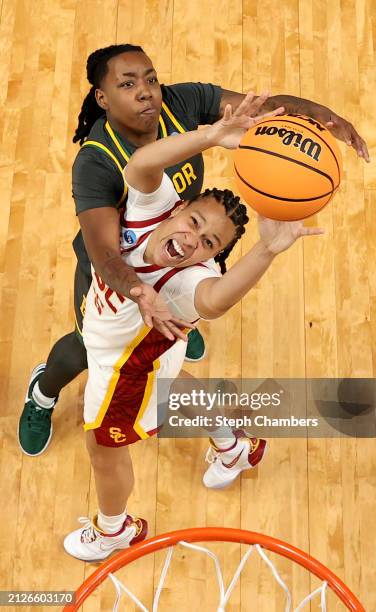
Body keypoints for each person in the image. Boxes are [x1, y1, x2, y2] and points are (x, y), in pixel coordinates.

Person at [18, 44, 370, 458]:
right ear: (102, 97)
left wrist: (326, 118)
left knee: (177, 330)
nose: (147, 91)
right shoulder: (97, 161)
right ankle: (42, 394)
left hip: (184, 242)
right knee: (85, 348)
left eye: (150, 78)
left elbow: (268, 110)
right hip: (118, 270)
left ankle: (193, 353)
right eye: (127, 84)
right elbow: (106, 256)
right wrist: (140, 292)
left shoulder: (180, 101)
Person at [63, 93, 324, 561]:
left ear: (210, 257)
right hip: (153, 352)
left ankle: (114, 530)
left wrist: (266, 251)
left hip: (125, 370)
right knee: (174, 388)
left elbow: (215, 302)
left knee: (102, 447)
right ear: (176, 209)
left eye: (208, 243)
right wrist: (213, 136)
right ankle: (234, 445)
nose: (191, 240)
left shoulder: (190, 282)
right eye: (194, 222)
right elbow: (141, 164)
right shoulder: (152, 210)